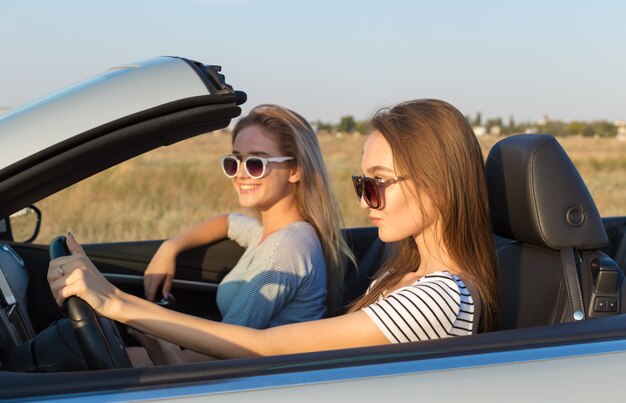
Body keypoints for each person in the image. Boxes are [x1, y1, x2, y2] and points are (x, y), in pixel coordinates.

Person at [48, 99, 501, 361]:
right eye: (361, 184)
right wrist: (170, 247)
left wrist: (113, 301)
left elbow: (262, 345)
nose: (364, 200)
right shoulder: (404, 272)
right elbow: (231, 224)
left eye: (377, 183)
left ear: (438, 187)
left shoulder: (441, 297)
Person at [143, 104, 353, 329]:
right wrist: (171, 247)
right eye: (234, 162)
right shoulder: (270, 232)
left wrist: (145, 322)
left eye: (256, 163)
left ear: (295, 170)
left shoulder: (285, 246)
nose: (241, 173)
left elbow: (229, 339)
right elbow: (229, 222)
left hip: (253, 362)